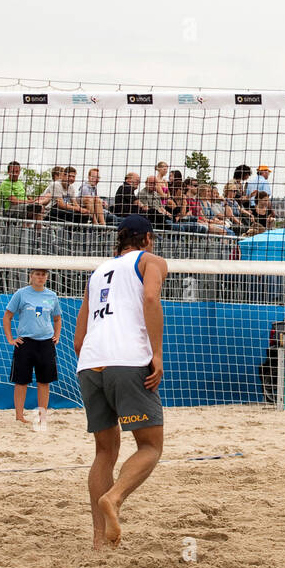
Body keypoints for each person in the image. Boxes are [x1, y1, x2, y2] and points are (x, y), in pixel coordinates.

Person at [73, 215, 168, 549]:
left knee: (104, 452)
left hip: (90, 363)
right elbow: (151, 300)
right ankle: (113, 498)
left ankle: (99, 541)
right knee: (150, 446)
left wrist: (94, 365)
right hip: (127, 359)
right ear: (145, 238)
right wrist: (155, 354)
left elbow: (78, 338)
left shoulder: (98, 272)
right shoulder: (151, 261)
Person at [3, 267, 62, 429]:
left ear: (47, 277)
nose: (40, 277)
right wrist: (10, 339)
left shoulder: (52, 296)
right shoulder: (21, 294)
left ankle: (42, 416)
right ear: (31, 276)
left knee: (44, 381)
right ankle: (19, 416)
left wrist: (57, 335)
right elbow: (7, 316)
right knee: (21, 381)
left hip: (45, 344)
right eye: (37, 274)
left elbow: (57, 318)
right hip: (25, 343)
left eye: (43, 274)